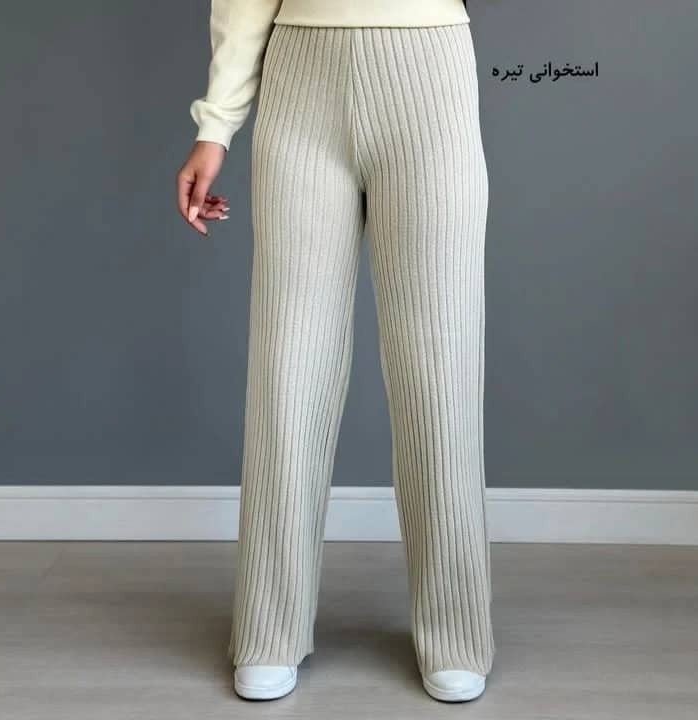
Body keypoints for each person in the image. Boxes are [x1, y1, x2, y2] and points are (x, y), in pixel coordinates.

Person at [175, 0, 495, 703]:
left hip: (431, 62)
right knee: (288, 367)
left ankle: (456, 630)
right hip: (302, 74)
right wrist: (216, 126)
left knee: (440, 366)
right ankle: (269, 628)